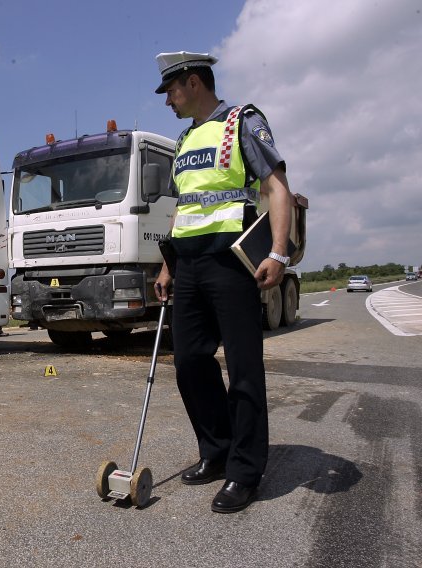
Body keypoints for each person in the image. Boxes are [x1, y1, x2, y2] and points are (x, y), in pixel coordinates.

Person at [153, 51, 293, 513]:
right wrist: (168, 266)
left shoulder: (241, 121)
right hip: (188, 265)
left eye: (171, 90)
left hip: (232, 262)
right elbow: (185, 206)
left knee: (243, 367)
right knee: (190, 362)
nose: (168, 100)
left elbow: (276, 186)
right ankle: (216, 451)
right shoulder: (184, 139)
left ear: (193, 82)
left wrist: (277, 252)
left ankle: (245, 470)